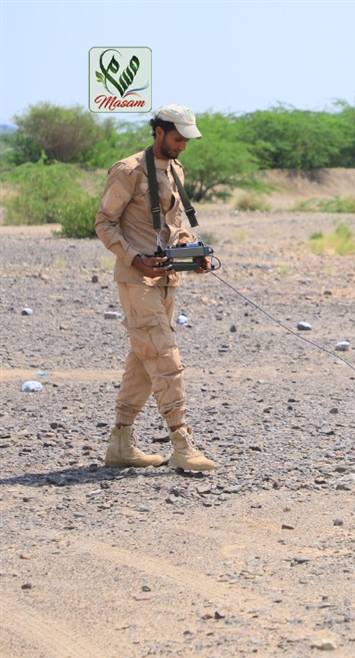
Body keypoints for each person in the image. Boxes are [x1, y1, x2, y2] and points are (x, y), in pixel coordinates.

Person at [94, 104, 217, 472]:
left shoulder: (175, 169)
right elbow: (104, 223)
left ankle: (120, 442)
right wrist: (134, 258)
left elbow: (173, 226)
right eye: (178, 138)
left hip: (167, 281)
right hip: (136, 281)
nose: (183, 146)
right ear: (159, 132)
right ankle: (182, 442)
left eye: (187, 140)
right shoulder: (128, 170)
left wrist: (191, 252)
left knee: (144, 361)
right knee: (165, 358)